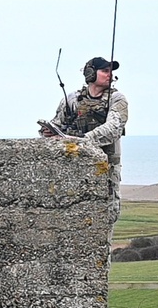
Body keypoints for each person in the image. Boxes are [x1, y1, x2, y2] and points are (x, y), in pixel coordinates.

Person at [40, 56, 129, 235]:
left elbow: (112, 129)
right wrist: (48, 132)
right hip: (74, 168)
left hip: (106, 167)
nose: (109, 75)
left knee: (105, 218)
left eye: (111, 71)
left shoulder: (117, 99)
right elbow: (57, 124)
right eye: (105, 70)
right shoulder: (72, 100)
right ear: (90, 73)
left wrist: (81, 140)